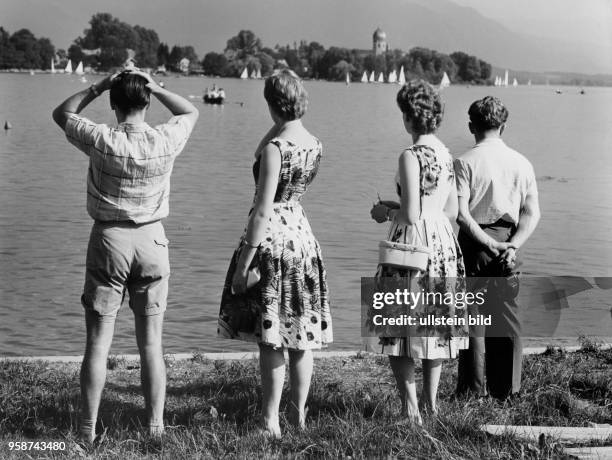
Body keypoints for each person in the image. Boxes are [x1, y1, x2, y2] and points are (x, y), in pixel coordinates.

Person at [52, 69, 199, 442]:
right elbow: (190, 113)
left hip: (109, 241)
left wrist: (98, 86)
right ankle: (155, 428)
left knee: (98, 343)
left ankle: (87, 430)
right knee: (151, 343)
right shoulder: (165, 140)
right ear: (146, 102)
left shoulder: (101, 139)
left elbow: (62, 114)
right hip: (153, 243)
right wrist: (156, 86)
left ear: (113, 104)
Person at [218, 69, 332, 437]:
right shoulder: (314, 144)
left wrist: (244, 264)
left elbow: (263, 209)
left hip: (274, 241)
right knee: (300, 336)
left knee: (272, 337)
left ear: (271, 104)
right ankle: (298, 415)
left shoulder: (274, 149)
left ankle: (270, 422)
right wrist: (281, 124)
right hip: (302, 236)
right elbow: (267, 158)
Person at [369, 79, 468, 424]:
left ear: (409, 118)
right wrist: (408, 207)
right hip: (441, 242)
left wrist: (387, 212)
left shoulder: (410, 156)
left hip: (411, 245)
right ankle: (431, 403)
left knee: (398, 326)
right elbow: (451, 212)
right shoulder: (446, 154)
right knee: (433, 324)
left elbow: (410, 214)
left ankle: (409, 409)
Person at [454, 96, 540, 399]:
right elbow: (532, 213)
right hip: (509, 242)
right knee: (507, 316)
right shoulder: (522, 162)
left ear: (470, 126)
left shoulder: (464, 162)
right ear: (503, 126)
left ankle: (471, 391)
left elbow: (462, 215)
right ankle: (507, 389)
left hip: (475, 243)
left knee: (473, 318)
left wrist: (488, 243)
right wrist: (511, 245)